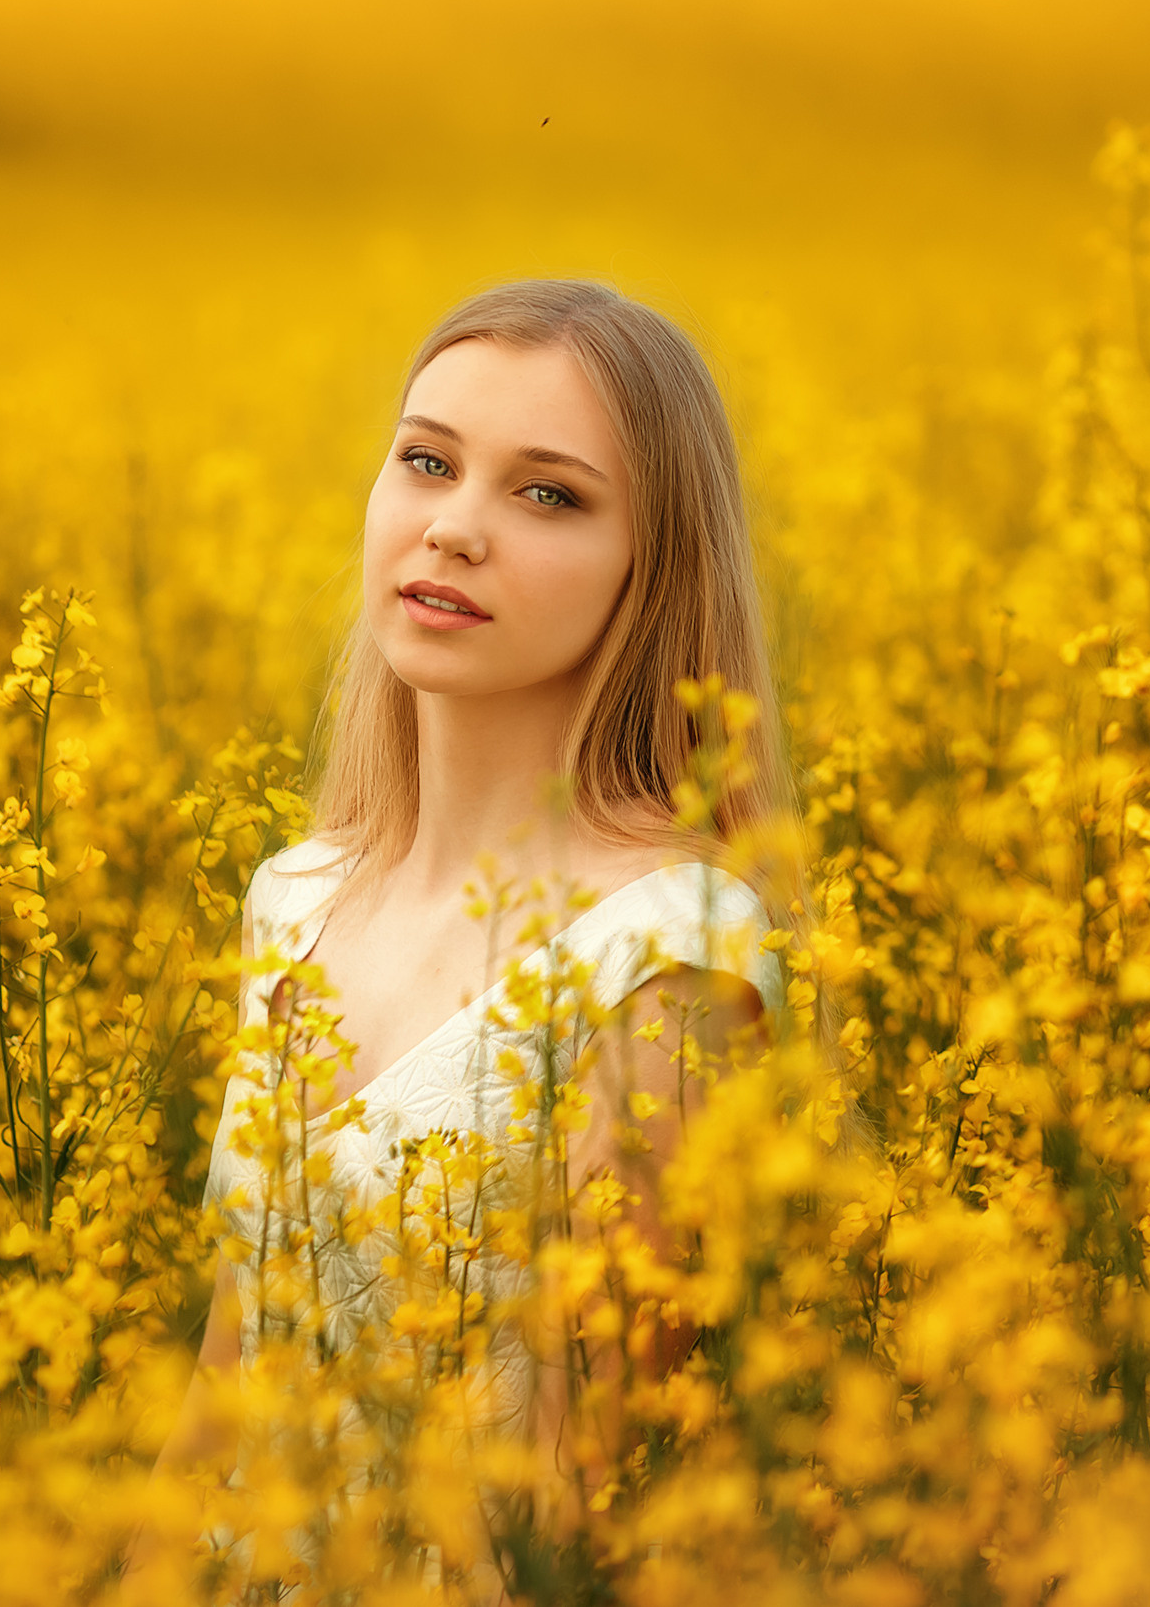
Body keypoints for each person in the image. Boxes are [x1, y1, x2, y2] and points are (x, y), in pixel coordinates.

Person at [133, 278, 801, 1593]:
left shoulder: (670, 954)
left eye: (547, 493)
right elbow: (221, 1389)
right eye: (427, 461)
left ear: (650, 568)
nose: (453, 528)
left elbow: (577, 1491)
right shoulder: (296, 899)